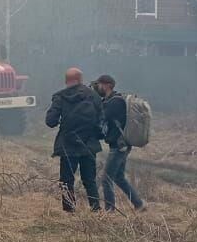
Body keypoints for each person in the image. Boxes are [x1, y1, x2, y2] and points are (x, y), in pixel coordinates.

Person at [45, 67, 102, 212]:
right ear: (80, 79)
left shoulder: (60, 97)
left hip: (68, 145)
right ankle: (96, 209)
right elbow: (101, 120)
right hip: (89, 144)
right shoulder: (93, 96)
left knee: (66, 181)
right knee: (89, 180)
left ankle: (69, 211)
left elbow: (50, 121)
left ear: (66, 80)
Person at [94, 75, 146, 212]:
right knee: (119, 177)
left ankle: (109, 211)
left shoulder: (114, 102)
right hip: (121, 145)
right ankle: (139, 204)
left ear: (107, 85)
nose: (97, 88)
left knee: (106, 179)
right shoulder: (113, 100)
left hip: (119, 146)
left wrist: (94, 100)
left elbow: (101, 115)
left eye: (99, 85)